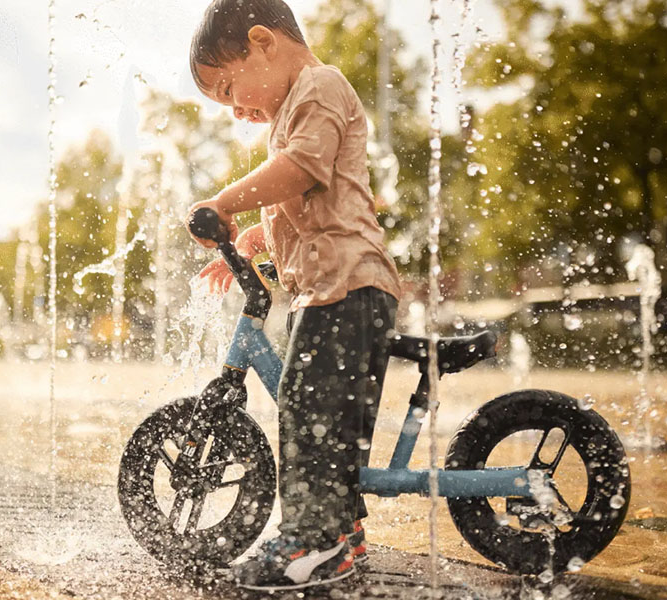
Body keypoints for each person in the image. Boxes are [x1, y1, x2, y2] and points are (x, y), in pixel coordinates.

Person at [186, 0, 401, 590]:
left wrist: (225, 202)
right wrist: (257, 235)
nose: (237, 111)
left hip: (348, 284)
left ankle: (312, 541)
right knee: (325, 422)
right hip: (336, 287)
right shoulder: (297, 105)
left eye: (231, 88)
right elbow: (307, 196)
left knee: (306, 411)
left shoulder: (320, 86)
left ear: (264, 42)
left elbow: (303, 168)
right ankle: (341, 533)